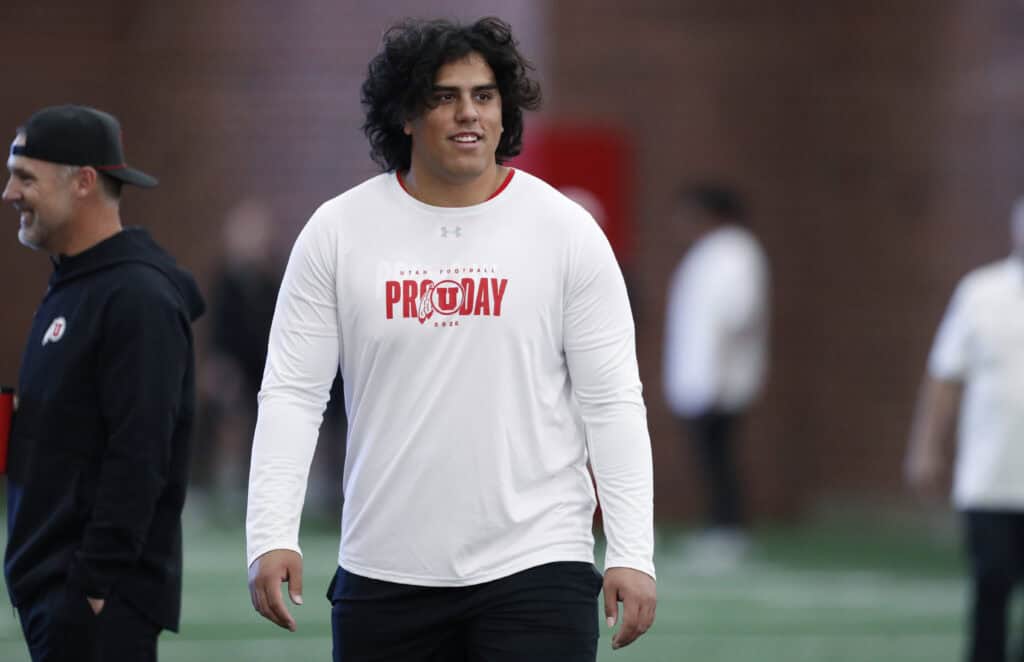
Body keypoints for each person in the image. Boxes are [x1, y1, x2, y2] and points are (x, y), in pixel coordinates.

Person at [246, 17, 657, 661]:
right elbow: (294, 394)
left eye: (484, 95)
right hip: (384, 569)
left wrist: (632, 552)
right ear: (406, 114)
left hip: (537, 567)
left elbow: (613, 402)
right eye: (444, 96)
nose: (469, 113)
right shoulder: (337, 230)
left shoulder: (566, 231)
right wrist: (271, 534)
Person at [2, 105, 205, 662]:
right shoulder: (75, 284)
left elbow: (140, 453)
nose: (9, 194)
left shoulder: (135, 297)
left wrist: (91, 587)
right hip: (55, 587)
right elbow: (63, 429)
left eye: (25, 178)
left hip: (96, 600)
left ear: (84, 182)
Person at [906, 199, 1024, 662]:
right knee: (992, 582)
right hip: (992, 475)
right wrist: (926, 448)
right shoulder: (982, 292)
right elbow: (945, 376)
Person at [662, 184, 770, 567]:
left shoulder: (737, 252)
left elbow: (738, 314)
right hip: (700, 376)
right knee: (708, 456)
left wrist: (718, 371)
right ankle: (718, 525)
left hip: (721, 378)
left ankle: (729, 528)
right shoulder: (708, 253)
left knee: (719, 456)